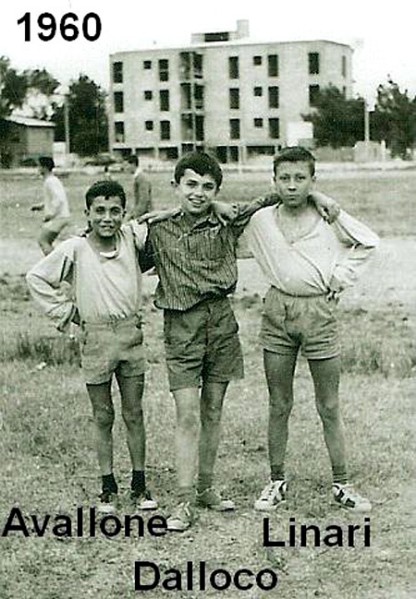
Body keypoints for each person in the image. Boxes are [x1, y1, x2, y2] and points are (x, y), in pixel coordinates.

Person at [141, 151, 338, 531]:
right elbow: (112, 236)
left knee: (213, 409)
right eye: (191, 185)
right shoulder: (156, 230)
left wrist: (321, 198)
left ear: (217, 190)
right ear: (176, 187)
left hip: (221, 322)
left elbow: (277, 195)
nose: (198, 193)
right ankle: (182, 503)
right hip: (181, 327)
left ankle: (204, 488)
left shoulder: (227, 221)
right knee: (187, 414)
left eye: (207, 187)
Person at [240, 146, 379, 513]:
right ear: (274, 181)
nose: (292, 185)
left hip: (318, 311)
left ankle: (342, 483)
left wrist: (339, 276)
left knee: (329, 404)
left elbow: (368, 241)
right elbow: (226, 221)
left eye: (300, 178)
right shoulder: (261, 220)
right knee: (279, 402)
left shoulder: (328, 215)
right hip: (277, 310)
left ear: (313, 181)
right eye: (284, 178)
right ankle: (276, 481)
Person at [26, 180, 157, 514]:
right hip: (95, 338)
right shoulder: (75, 248)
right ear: (87, 214)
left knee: (134, 412)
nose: (107, 218)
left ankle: (139, 485)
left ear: (124, 213)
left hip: (130, 334)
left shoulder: (131, 237)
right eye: (99, 211)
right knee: (102, 414)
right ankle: (107, 485)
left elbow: (157, 221)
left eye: (115, 210)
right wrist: (68, 313)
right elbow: (36, 277)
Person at [31, 156, 71, 255]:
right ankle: (56, 262)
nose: (38, 169)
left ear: (44, 167)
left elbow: (59, 199)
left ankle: (55, 264)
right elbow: (54, 199)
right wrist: (41, 206)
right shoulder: (51, 180)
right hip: (60, 216)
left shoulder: (50, 181)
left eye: (39, 166)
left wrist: (50, 215)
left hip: (59, 217)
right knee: (45, 241)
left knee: (43, 240)